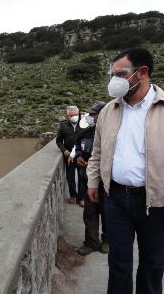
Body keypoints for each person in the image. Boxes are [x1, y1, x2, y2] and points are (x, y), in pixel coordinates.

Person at [86, 48, 164, 294]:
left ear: (142, 72)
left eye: (120, 74)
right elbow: (98, 152)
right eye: (111, 75)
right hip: (115, 200)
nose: (113, 81)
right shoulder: (108, 112)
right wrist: (93, 181)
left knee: (152, 264)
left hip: (157, 204)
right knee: (118, 262)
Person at [69, 101, 109, 256]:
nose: (91, 117)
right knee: (90, 213)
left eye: (94, 114)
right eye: (90, 114)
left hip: (106, 182)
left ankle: (107, 241)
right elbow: (77, 146)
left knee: (107, 213)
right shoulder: (86, 131)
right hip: (87, 179)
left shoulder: (113, 132)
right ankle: (91, 242)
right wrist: (78, 155)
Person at [56, 105, 85, 206]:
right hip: (69, 157)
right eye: (72, 115)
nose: (75, 117)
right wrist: (64, 150)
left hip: (81, 155)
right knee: (70, 177)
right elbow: (58, 141)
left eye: (76, 114)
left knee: (82, 177)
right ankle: (73, 195)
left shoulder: (84, 124)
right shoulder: (63, 126)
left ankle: (81, 198)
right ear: (67, 116)